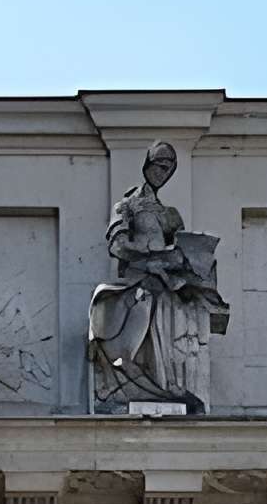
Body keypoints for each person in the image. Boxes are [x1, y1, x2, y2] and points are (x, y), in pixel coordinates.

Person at [88, 139, 228, 409]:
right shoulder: (127, 206)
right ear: (147, 164)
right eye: (158, 165)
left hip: (164, 281)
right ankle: (131, 380)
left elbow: (183, 249)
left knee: (182, 301)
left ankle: (168, 383)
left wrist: (191, 259)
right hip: (137, 280)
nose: (162, 173)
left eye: (168, 168)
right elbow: (117, 246)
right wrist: (150, 258)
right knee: (121, 309)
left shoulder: (170, 215)